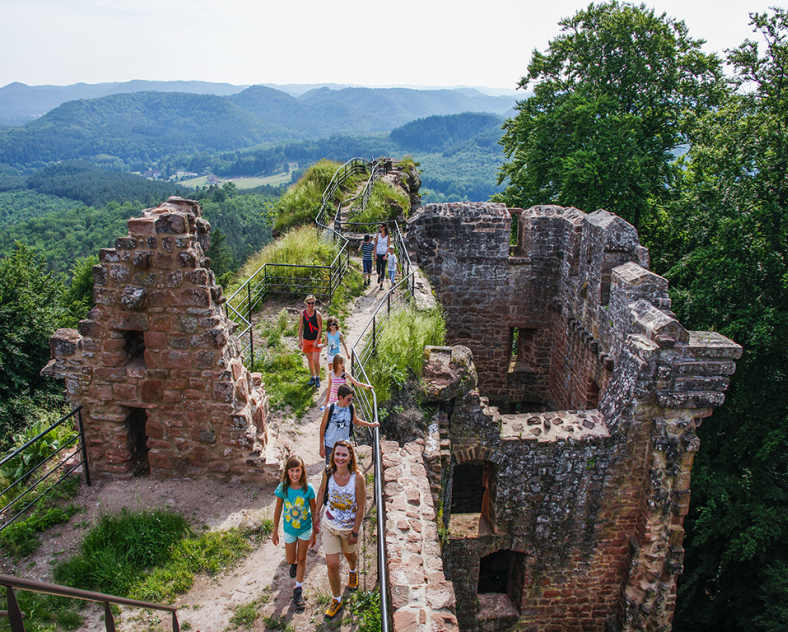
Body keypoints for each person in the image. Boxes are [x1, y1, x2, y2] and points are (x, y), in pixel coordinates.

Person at [314, 440, 366, 619]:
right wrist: (316, 514)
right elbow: (321, 491)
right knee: (332, 565)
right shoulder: (328, 472)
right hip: (329, 524)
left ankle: (353, 571)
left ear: (350, 456)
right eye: (338, 454)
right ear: (333, 456)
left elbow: (360, 507)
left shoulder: (357, 478)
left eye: (344, 454)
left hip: (348, 528)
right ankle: (336, 599)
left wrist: (355, 532)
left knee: (350, 556)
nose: (340, 458)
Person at [272, 455, 317, 611]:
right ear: (287, 472)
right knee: (291, 559)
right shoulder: (283, 488)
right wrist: (274, 530)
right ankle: (293, 564)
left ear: (302, 471)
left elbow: (313, 509)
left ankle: (298, 588)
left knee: (302, 558)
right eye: (292, 470)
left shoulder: (308, 488)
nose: (295, 474)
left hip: (305, 529)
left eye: (298, 470)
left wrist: (314, 532)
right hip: (289, 530)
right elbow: (278, 509)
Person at [319, 384, 379, 465]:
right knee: (330, 470)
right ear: (340, 397)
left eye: (351, 399)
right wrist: (321, 446)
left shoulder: (351, 407)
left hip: (345, 445)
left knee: (345, 470)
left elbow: (356, 421)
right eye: (348, 399)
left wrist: (370, 424)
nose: (350, 402)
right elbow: (322, 427)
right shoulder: (330, 409)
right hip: (330, 445)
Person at [298, 295, 323, 387]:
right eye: (309, 303)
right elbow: (300, 328)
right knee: (310, 360)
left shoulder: (317, 314)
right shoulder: (302, 314)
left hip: (315, 340)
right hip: (306, 339)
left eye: (312, 303)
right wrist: (300, 340)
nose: (311, 305)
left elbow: (320, 328)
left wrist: (317, 340)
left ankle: (318, 377)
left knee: (316, 360)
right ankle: (313, 377)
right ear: (306, 303)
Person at [373, 223, 389, 288]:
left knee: (383, 268)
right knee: (378, 268)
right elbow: (375, 244)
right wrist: (375, 254)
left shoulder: (387, 236)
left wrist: (386, 254)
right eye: (379, 226)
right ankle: (379, 275)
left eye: (381, 226)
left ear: (384, 227)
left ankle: (382, 283)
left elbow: (388, 246)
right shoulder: (378, 235)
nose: (380, 227)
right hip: (378, 253)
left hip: (384, 253)